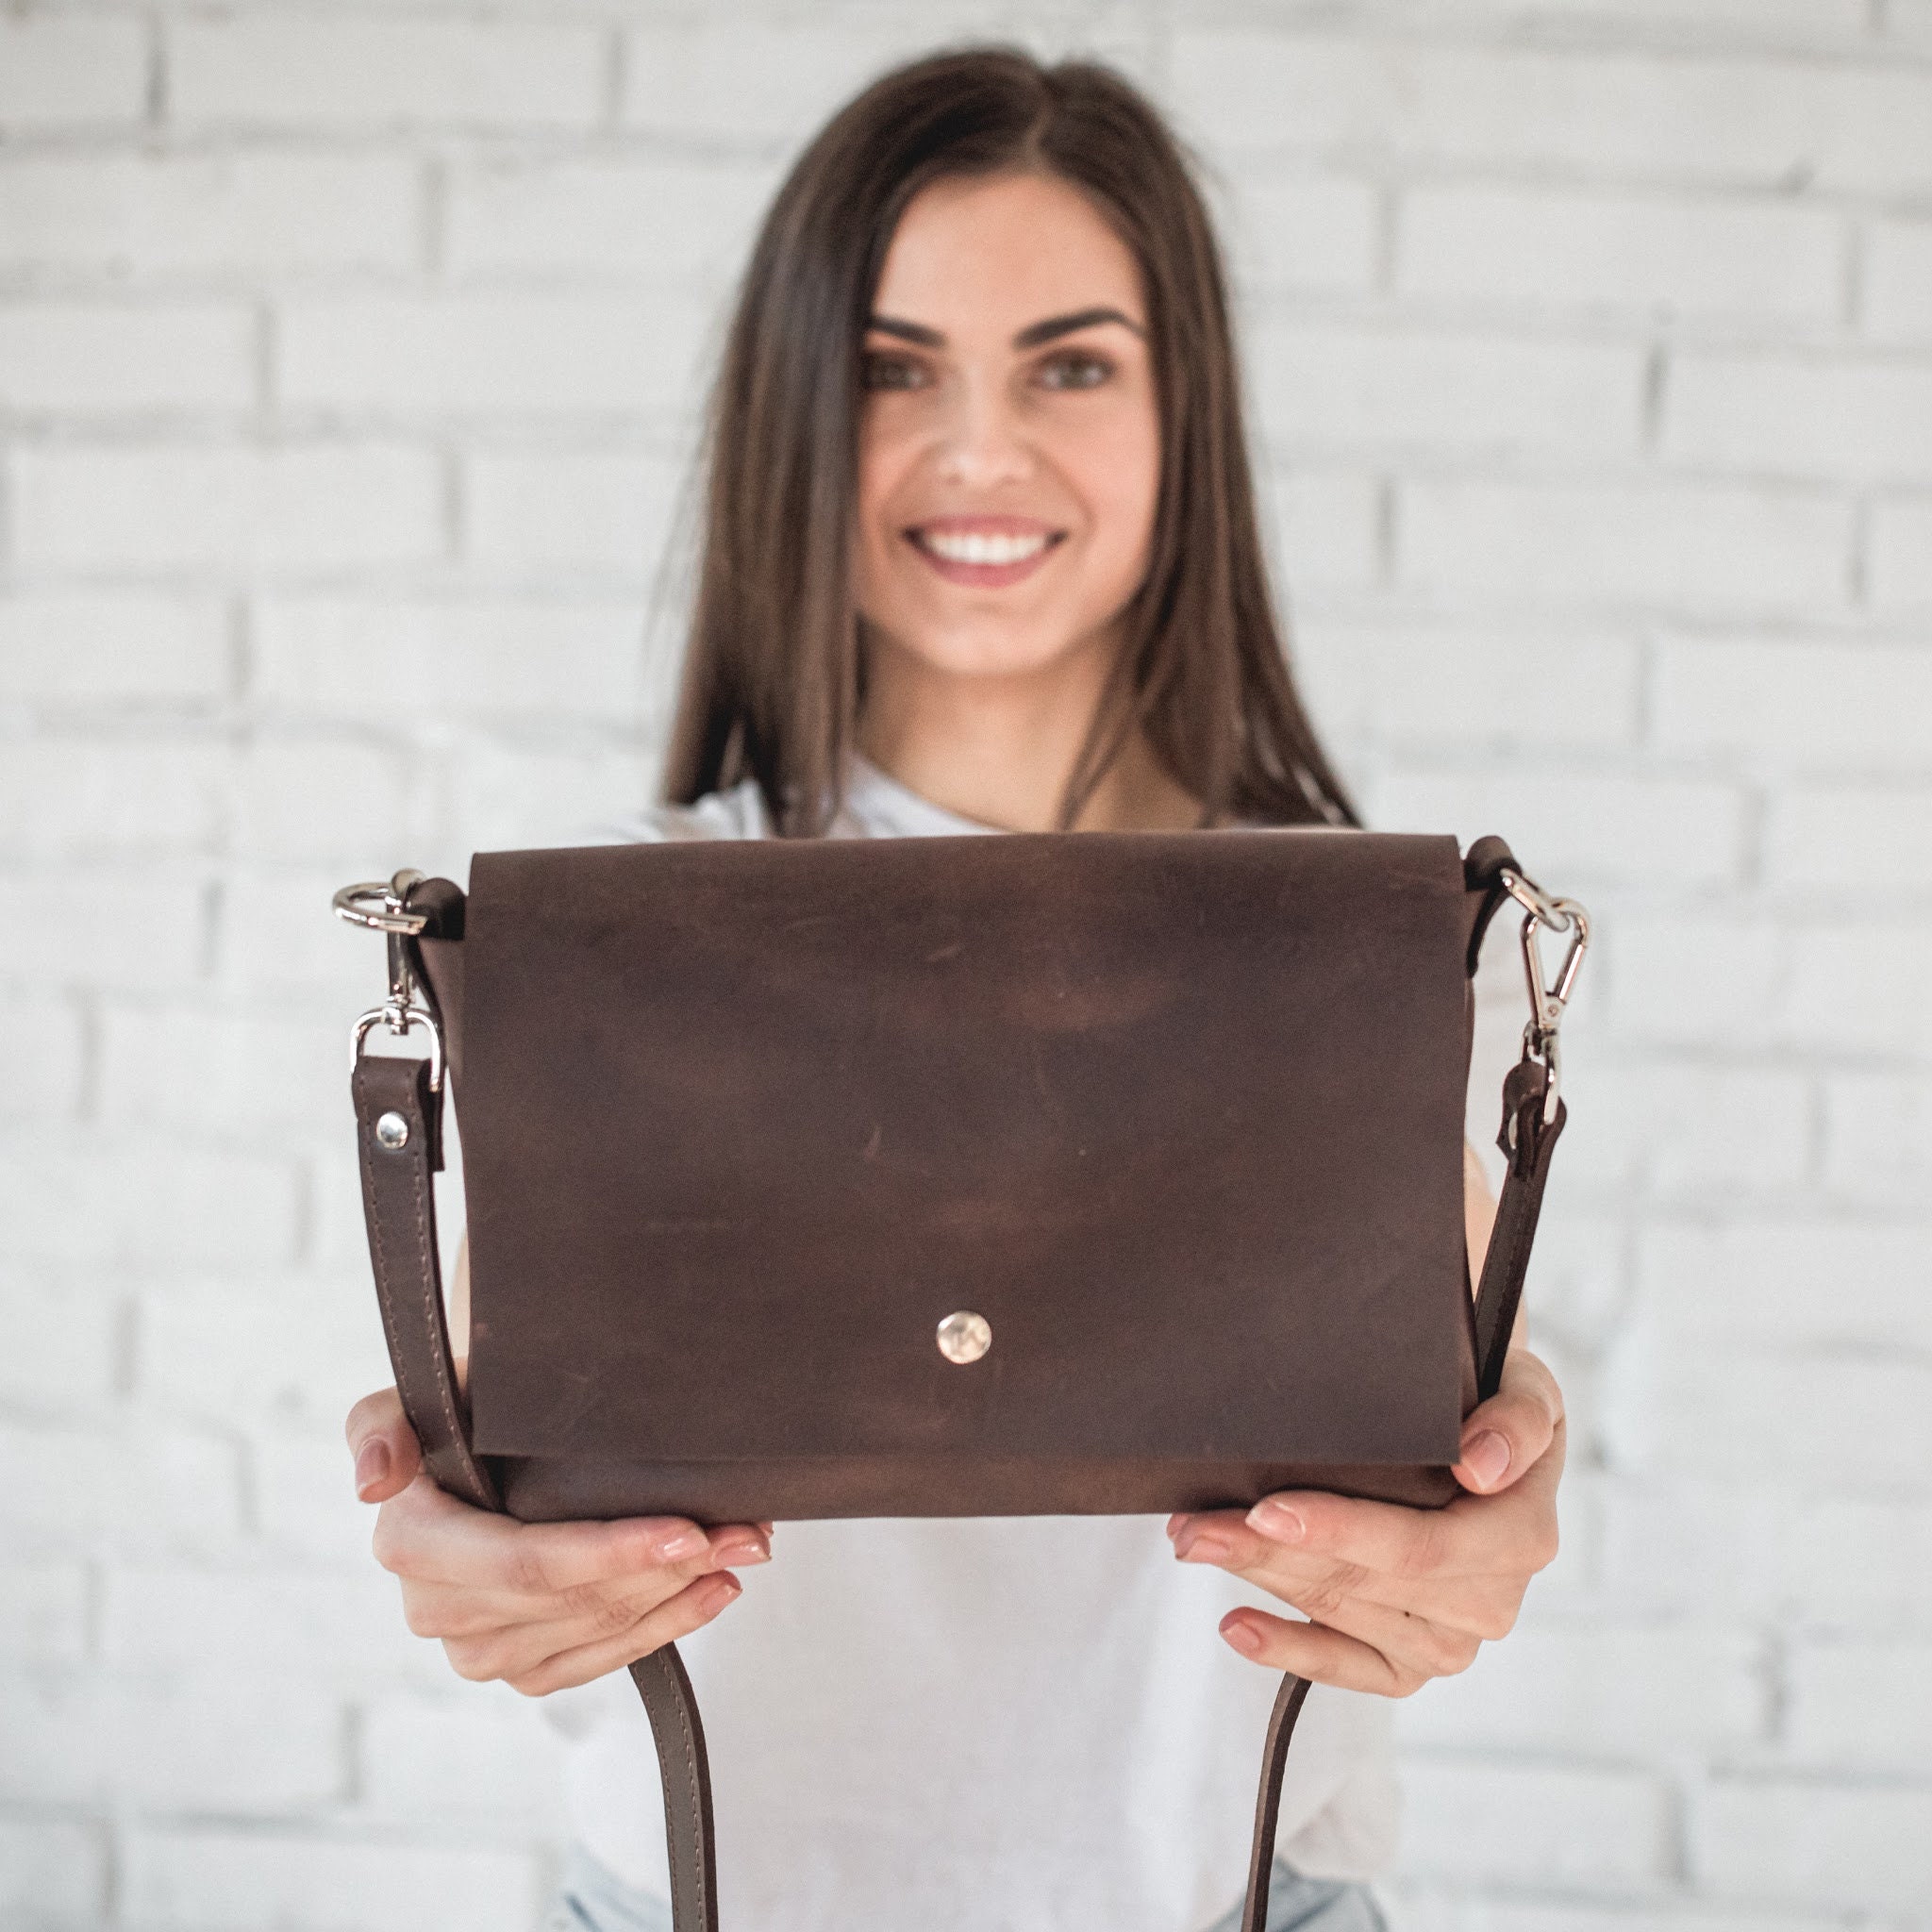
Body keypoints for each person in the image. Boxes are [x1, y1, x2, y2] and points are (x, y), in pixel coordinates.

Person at [343, 48, 1566, 1932]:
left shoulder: (1366, 947)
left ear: (1184, 412)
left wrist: (1497, 1495)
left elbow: (1444, 1454)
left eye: (1069, 364)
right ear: (794, 418)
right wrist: (455, 1536)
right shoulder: (598, 943)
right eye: (892, 370)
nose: (981, 451)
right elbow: (499, 1471)